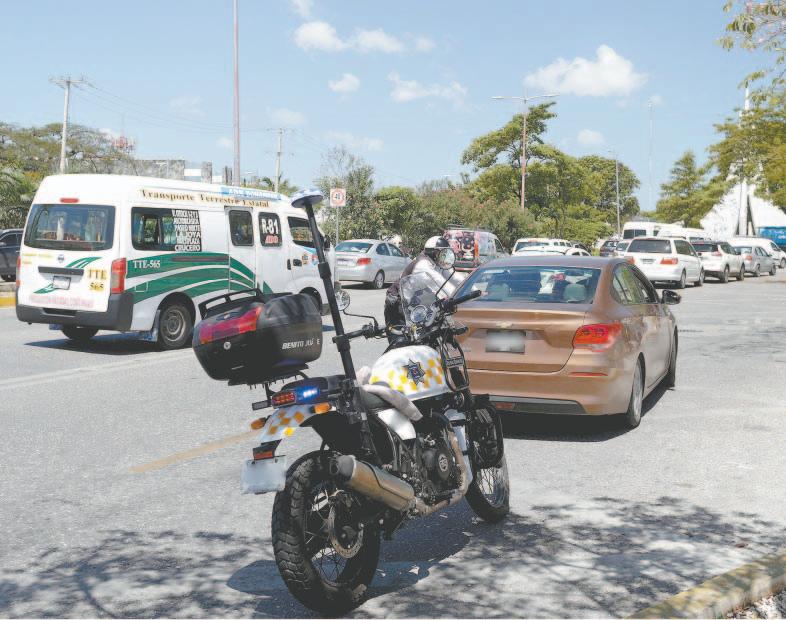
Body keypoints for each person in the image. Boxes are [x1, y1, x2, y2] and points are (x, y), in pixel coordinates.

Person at [384, 235, 466, 329]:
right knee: (405, 335)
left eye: (446, 253)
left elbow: (456, 278)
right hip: (398, 302)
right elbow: (440, 285)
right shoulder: (423, 265)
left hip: (415, 302)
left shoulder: (438, 263)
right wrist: (459, 299)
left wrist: (473, 289)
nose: (445, 256)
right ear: (434, 253)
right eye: (443, 253)